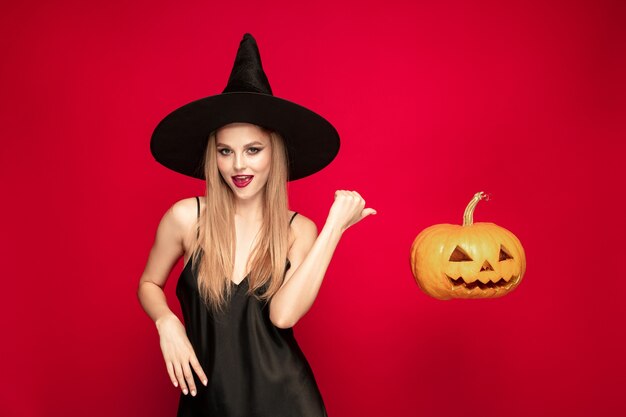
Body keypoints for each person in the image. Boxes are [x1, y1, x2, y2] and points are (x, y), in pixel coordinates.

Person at [137, 33, 376, 417]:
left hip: (288, 403)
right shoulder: (186, 217)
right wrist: (167, 322)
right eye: (225, 151)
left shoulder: (300, 230)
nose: (238, 166)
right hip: (209, 404)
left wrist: (334, 226)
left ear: (274, 153)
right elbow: (148, 283)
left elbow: (283, 316)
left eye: (253, 150)